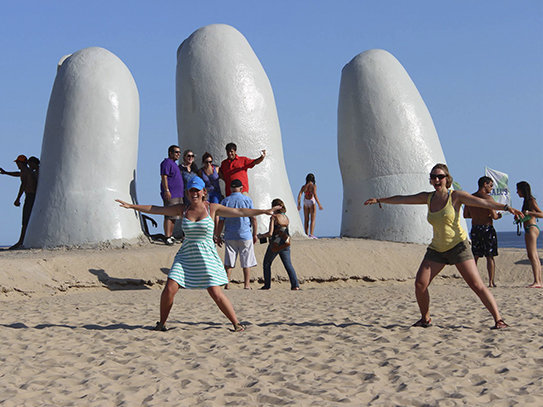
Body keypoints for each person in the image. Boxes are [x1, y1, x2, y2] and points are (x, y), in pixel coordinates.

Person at [364, 163, 522, 329]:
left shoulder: (456, 196)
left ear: (447, 179)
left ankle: (498, 319)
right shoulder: (428, 197)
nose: (437, 179)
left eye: (440, 176)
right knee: (420, 283)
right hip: (437, 249)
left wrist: (506, 207)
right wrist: (379, 200)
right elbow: (403, 198)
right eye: (433, 177)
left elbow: (482, 203)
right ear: (431, 181)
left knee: (476, 285)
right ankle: (425, 319)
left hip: (458, 246)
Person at [116, 176, 279, 332]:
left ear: (203, 192)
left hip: (207, 256)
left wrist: (263, 211)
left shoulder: (212, 208)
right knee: (169, 289)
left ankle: (236, 323)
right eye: (191, 190)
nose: (194, 193)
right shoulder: (183, 209)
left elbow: (240, 211)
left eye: (197, 190)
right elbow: (157, 209)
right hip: (186, 255)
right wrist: (132, 206)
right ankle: (162, 323)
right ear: (187, 193)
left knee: (216, 293)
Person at [216, 179, 258, 289]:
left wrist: (218, 235)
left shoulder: (226, 201)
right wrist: (255, 234)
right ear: (241, 188)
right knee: (246, 261)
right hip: (245, 234)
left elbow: (221, 220)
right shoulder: (247, 200)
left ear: (230, 188)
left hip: (230, 234)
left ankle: (227, 283)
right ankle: (247, 285)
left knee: (229, 261)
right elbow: (253, 218)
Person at [463, 176, 501, 287]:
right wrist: (498, 216)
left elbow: (466, 215)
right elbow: (494, 216)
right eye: (490, 185)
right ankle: (490, 282)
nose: (491, 188)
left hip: (475, 228)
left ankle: (473, 280)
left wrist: (476, 214)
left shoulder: (470, 198)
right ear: (485, 184)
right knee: (490, 256)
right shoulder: (488, 199)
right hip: (487, 228)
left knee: (475, 256)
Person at [257, 198, 300, 291]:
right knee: (288, 265)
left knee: (267, 263)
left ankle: (267, 285)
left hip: (275, 244)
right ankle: (295, 285)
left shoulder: (274, 217)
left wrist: (261, 236)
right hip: (286, 243)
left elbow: (270, 233)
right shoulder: (286, 217)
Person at [0, 154, 38, 249]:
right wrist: (6, 173)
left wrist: (17, 199)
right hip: (31, 196)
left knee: (25, 220)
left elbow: (23, 185)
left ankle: (21, 241)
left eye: (17, 162)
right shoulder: (27, 171)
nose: (17, 164)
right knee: (26, 219)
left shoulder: (25, 172)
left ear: (20, 163)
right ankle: (22, 240)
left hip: (30, 196)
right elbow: (18, 174)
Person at [516, 181, 542, 288]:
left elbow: (541, 214)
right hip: (528, 228)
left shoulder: (531, 200)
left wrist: (529, 213)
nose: (517, 192)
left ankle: (537, 281)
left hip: (532, 228)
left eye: (518, 189)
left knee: (533, 255)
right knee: (532, 255)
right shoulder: (526, 201)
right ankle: (538, 280)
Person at [160, 145, 184, 245]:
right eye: (176, 152)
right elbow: (164, 176)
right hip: (171, 193)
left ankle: (171, 235)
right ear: (170, 152)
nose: (178, 154)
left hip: (178, 194)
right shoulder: (166, 162)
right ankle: (167, 236)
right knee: (169, 215)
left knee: (174, 215)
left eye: (179, 152)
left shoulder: (174, 164)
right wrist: (166, 190)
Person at [297, 173, 323, 238]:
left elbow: (299, 195)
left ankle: (306, 234)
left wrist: (299, 204)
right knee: (313, 219)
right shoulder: (313, 186)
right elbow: (315, 195)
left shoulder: (304, 186)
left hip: (305, 201)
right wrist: (319, 204)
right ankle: (311, 234)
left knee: (306, 219)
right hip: (311, 201)